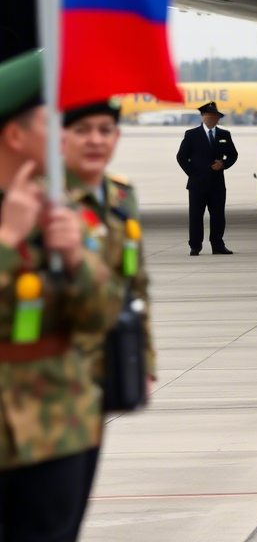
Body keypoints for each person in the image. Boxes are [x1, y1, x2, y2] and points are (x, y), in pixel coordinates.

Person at [0, 51, 116, 542]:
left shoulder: (63, 206)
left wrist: (75, 258)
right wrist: (9, 239)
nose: (68, 137)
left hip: (61, 417)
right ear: (15, 134)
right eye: (54, 123)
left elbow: (103, 311)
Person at [63, 97, 155, 499]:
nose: (95, 140)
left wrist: (144, 362)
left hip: (98, 374)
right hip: (45, 376)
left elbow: (135, 285)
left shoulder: (119, 197)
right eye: (81, 130)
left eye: (104, 130)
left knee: (73, 503)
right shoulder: (40, 200)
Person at [176, 102, 238, 255]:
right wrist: (193, 173)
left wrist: (223, 164)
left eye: (214, 116)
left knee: (217, 215)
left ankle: (217, 245)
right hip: (197, 184)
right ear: (202, 117)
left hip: (217, 183)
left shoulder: (224, 135)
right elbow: (181, 157)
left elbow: (233, 155)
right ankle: (195, 246)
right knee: (196, 216)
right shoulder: (191, 135)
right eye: (207, 115)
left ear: (218, 118)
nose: (210, 118)